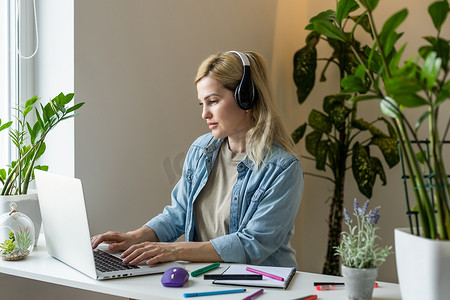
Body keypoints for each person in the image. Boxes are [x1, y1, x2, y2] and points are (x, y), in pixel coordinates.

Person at [91, 51, 303, 268]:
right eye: (201, 103)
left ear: (246, 97)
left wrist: (173, 250)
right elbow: (179, 213)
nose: (205, 114)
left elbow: (252, 244)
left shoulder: (283, 168)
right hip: (208, 277)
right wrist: (136, 237)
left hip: (262, 285)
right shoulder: (202, 150)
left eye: (212, 101)